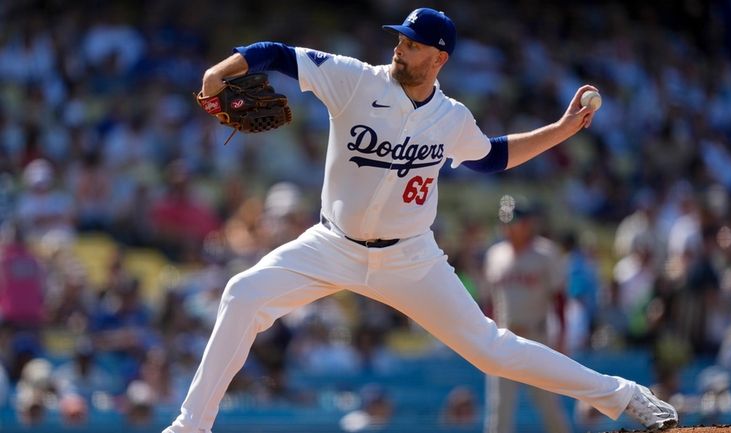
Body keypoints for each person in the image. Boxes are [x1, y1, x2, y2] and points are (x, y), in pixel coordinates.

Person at [164, 8, 678, 433]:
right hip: (332, 244)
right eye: (401, 39)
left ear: (439, 58)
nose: (400, 47)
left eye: (412, 43)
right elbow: (274, 53)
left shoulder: (451, 118)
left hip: (410, 257)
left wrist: (563, 130)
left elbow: (493, 157)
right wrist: (220, 73)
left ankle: (626, 396)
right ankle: (191, 427)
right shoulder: (353, 79)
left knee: (492, 351)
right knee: (242, 293)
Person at [482, 202, 572, 433]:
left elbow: (559, 298)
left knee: (550, 406)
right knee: (499, 410)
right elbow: (490, 302)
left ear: (528, 223)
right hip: (502, 339)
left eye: (515, 222)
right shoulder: (495, 254)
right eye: (506, 223)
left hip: (536, 336)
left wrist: (562, 334)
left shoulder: (545, 252)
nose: (510, 228)